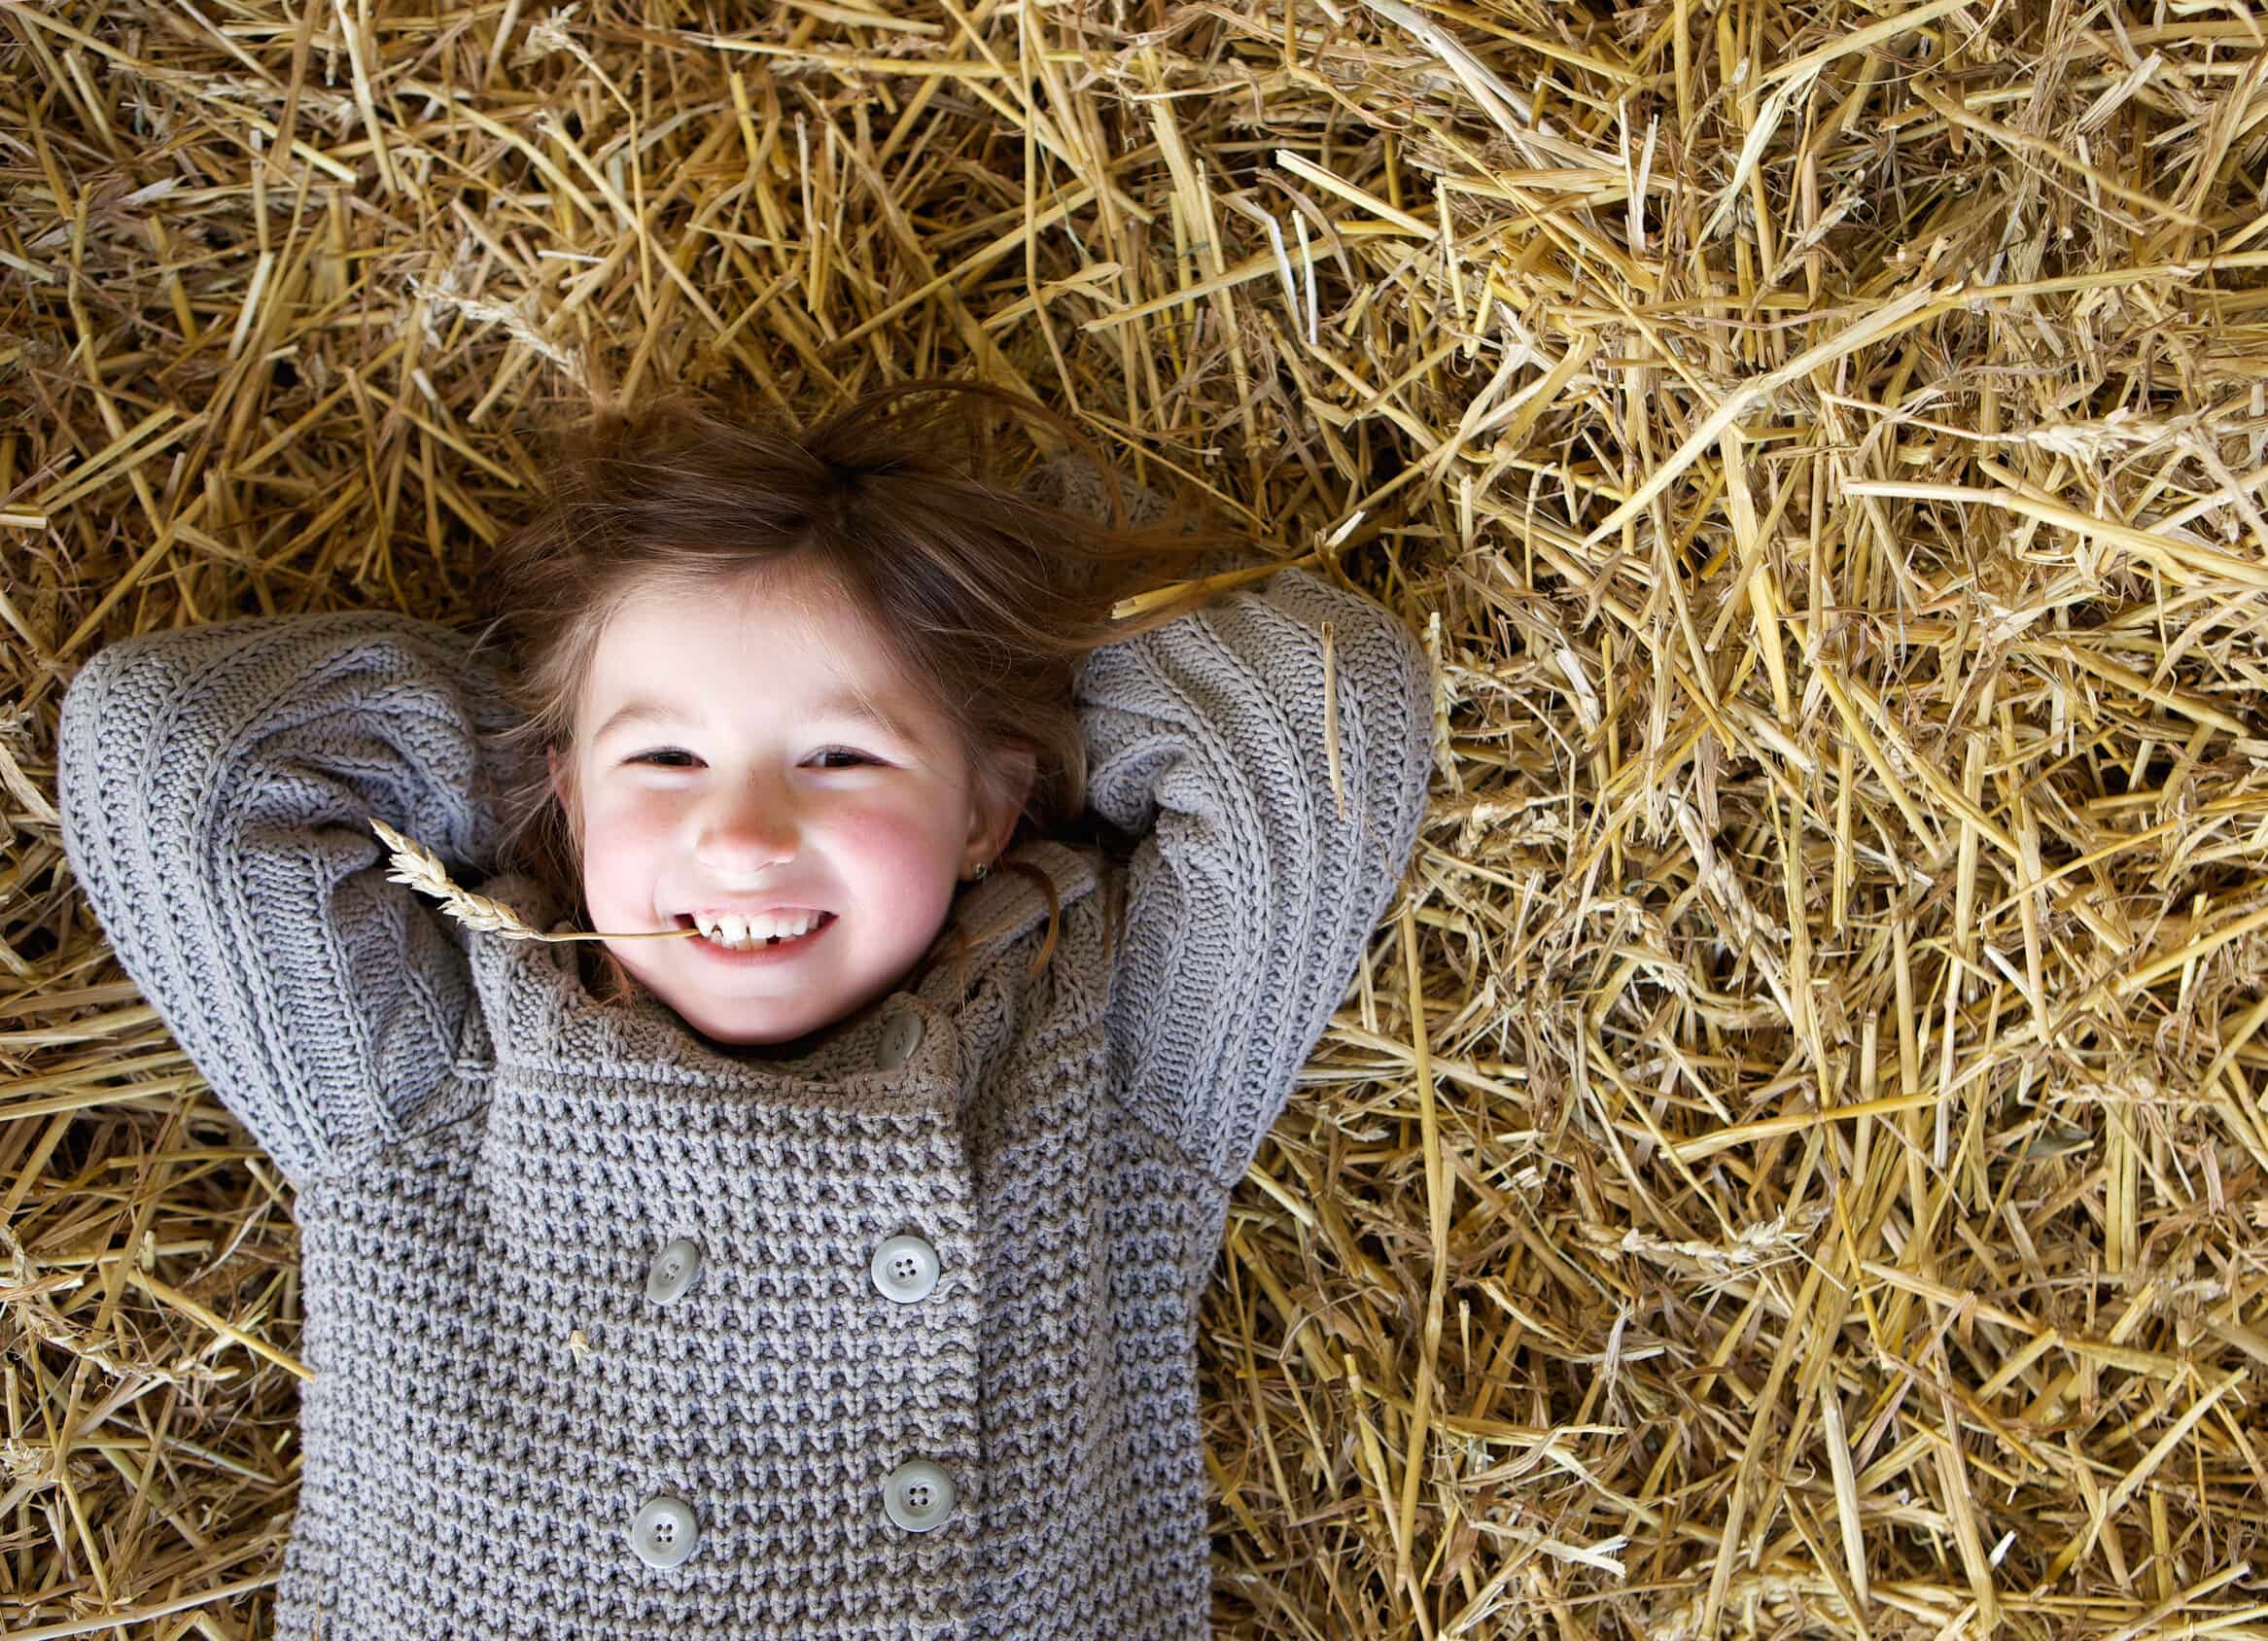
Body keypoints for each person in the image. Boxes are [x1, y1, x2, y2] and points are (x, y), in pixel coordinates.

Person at [52, 379, 1437, 1640]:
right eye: (667, 754)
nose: (745, 832)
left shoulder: (1102, 1068)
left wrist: (998, 602)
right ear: (565, 789)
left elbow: (1324, 719)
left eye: (838, 753)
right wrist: (559, 768)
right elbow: (174, 753)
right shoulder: (432, 1080)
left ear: (988, 809)